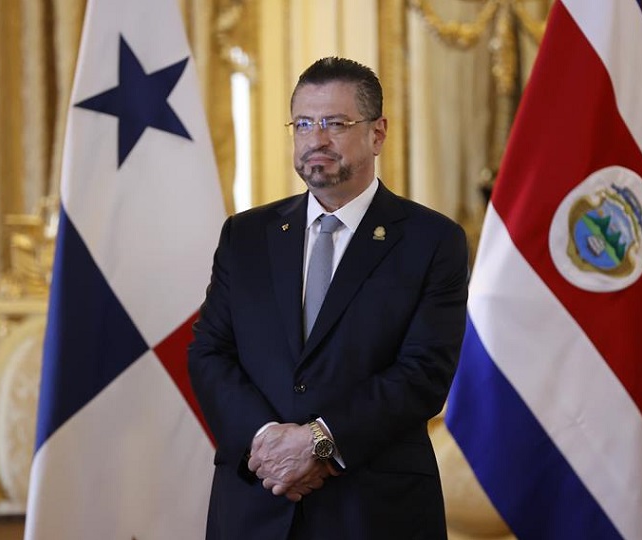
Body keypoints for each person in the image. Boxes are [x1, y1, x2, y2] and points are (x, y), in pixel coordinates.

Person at [187, 56, 469, 540]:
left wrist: (318, 442)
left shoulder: (431, 240)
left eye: (336, 124)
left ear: (378, 134)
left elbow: (424, 372)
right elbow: (209, 352)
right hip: (257, 504)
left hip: (374, 510)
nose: (316, 139)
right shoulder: (246, 235)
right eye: (303, 123)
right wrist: (267, 442)